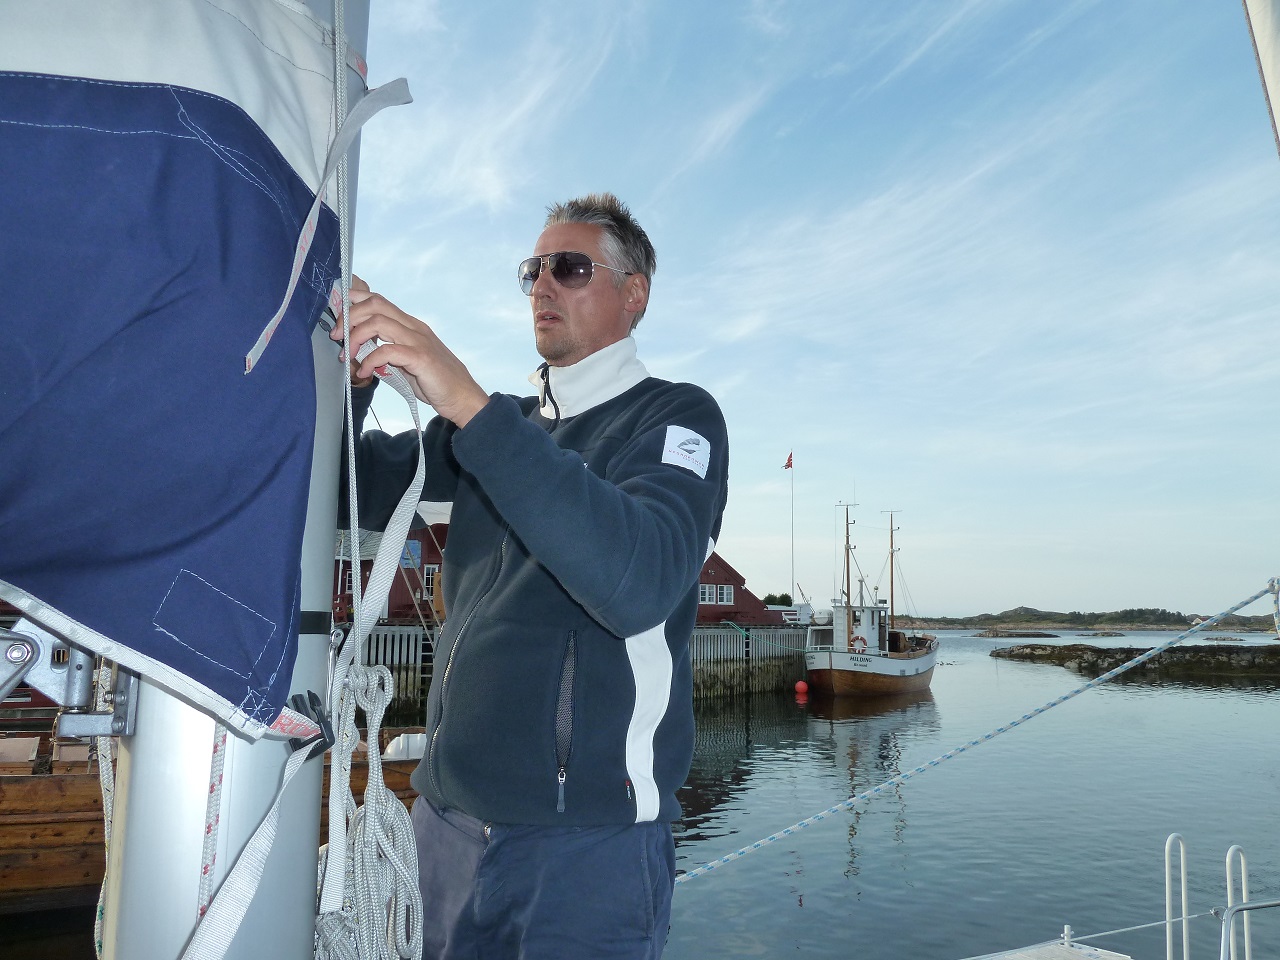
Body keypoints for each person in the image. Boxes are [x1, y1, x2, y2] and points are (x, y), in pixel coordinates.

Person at [333, 192, 729, 960]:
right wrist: (351, 384)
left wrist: (468, 404)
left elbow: (640, 580)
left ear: (634, 293)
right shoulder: (494, 430)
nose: (543, 284)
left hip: (587, 852)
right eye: (532, 270)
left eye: (569, 268)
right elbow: (330, 488)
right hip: (442, 830)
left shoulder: (675, 420)